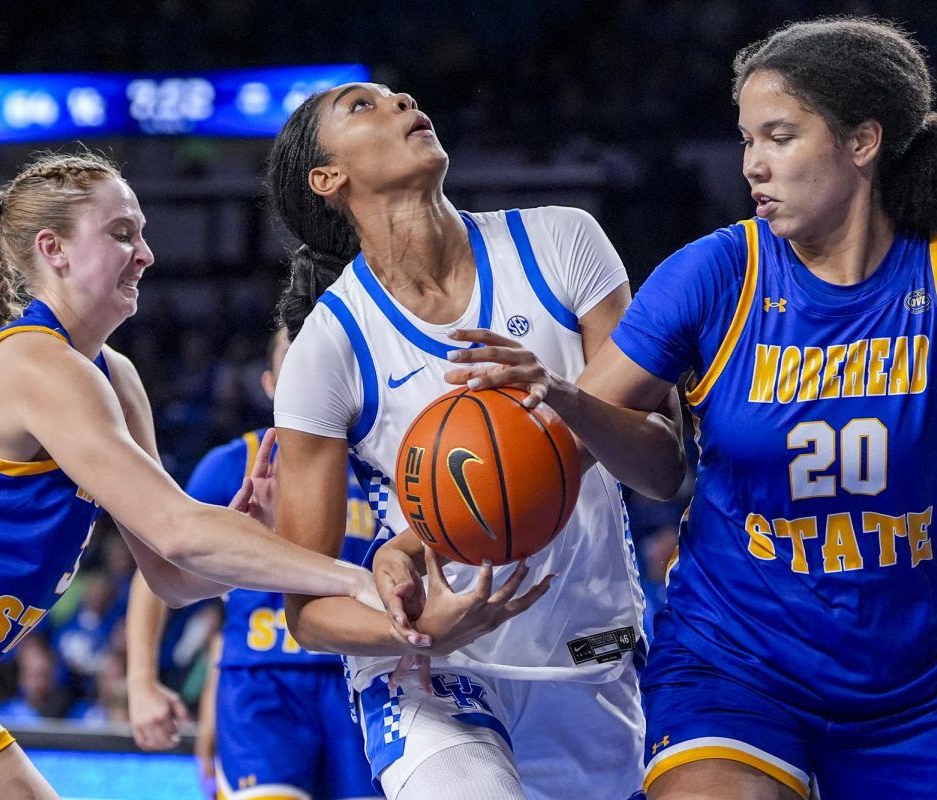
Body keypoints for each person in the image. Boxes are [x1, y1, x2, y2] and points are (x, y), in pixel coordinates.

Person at [444, 17, 937, 800]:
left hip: (910, 686)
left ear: (862, 142)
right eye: (746, 141)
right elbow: (550, 453)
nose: (754, 165)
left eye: (779, 137)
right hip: (734, 663)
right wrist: (423, 534)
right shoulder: (714, 272)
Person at [0, 151, 392, 800]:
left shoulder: (116, 378)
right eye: (122, 233)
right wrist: (357, 580)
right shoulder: (36, 365)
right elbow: (180, 530)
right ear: (55, 250)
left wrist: (249, 536)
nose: (147, 253)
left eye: (144, 233)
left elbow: (175, 576)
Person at [265, 82, 668, 800]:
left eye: (397, 96)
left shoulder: (560, 243)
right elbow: (307, 610)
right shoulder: (329, 348)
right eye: (363, 106)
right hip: (432, 675)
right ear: (328, 179)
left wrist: (564, 398)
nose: (402, 100)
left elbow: (662, 468)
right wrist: (417, 635)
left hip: (588, 652)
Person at [126, 327, 380, 800]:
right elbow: (157, 571)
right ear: (269, 384)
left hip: (362, 680)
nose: (308, 364)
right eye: (293, 353)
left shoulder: (378, 465)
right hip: (261, 683)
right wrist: (141, 681)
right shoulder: (232, 463)